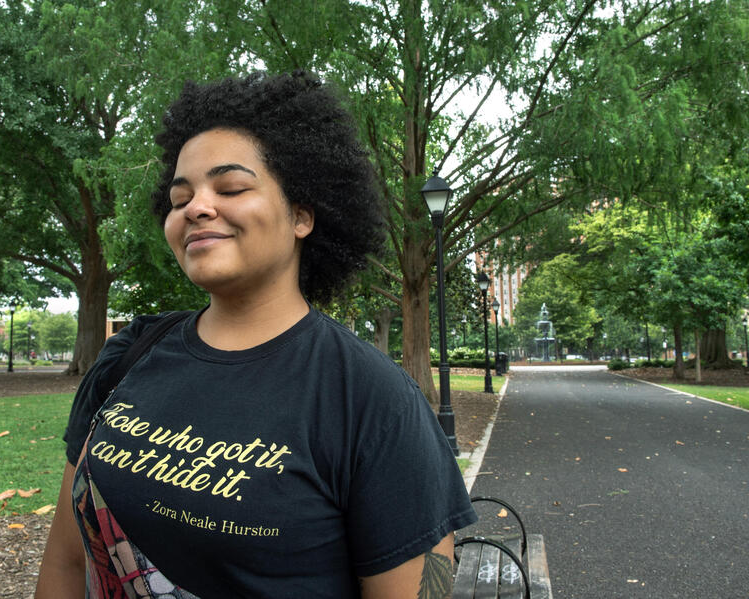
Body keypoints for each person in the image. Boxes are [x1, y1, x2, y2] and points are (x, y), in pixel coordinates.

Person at [36, 71, 476, 598]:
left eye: (231, 188)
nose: (196, 207)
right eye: (180, 198)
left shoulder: (372, 399)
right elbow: (67, 561)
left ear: (301, 216)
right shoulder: (128, 355)